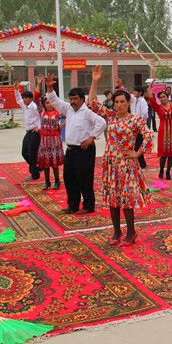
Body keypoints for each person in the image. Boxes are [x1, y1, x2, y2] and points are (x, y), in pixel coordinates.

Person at [87, 68, 154, 247]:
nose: (119, 105)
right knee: (113, 197)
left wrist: (137, 153)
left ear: (128, 102)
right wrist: (95, 81)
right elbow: (91, 103)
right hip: (110, 163)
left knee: (126, 198)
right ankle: (117, 231)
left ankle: (131, 232)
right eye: (116, 102)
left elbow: (148, 135)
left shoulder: (135, 120)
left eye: (122, 101)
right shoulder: (111, 117)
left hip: (126, 164)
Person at [45, 75, 106, 215]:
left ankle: (88, 206)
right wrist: (49, 87)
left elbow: (101, 123)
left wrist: (92, 138)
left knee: (84, 179)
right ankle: (73, 205)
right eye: (71, 99)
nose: (72, 101)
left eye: (75, 99)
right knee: (69, 178)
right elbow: (54, 100)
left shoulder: (87, 111)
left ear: (82, 99)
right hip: (71, 150)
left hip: (84, 150)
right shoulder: (68, 109)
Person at [146, 81, 172, 180]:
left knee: (171, 153)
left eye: (164, 97)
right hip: (163, 132)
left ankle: (168, 171)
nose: (163, 99)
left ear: (167, 97)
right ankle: (161, 170)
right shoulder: (158, 108)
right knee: (163, 154)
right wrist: (149, 88)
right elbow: (151, 99)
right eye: (161, 97)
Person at [14, 81, 42, 181]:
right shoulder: (25, 106)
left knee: (32, 153)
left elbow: (41, 116)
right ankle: (38, 167)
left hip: (35, 133)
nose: (24, 100)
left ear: (31, 99)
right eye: (24, 98)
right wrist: (16, 89)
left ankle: (35, 174)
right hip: (28, 132)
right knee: (24, 152)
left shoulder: (34, 107)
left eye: (26, 98)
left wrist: (39, 127)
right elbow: (18, 99)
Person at [38, 94, 65, 190]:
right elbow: (36, 97)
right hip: (44, 140)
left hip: (55, 140)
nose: (49, 105)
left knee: (54, 161)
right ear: (44, 104)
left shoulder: (58, 112)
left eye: (51, 102)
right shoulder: (42, 112)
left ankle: (57, 181)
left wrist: (61, 125)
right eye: (47, 103)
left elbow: (70, 116)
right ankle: (47, 181)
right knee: (45, 162)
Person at [131, 86, 149, 169]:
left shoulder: (142, 101)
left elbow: (145, 113)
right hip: (135, 125)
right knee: (135, 145)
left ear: (140, 92)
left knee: (138, 145)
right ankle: (139, 162)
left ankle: (142, 164)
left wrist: (141, 123)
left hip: (140, 126)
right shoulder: (135, 100)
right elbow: (129, 97)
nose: (134, 92)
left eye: (135, 91)